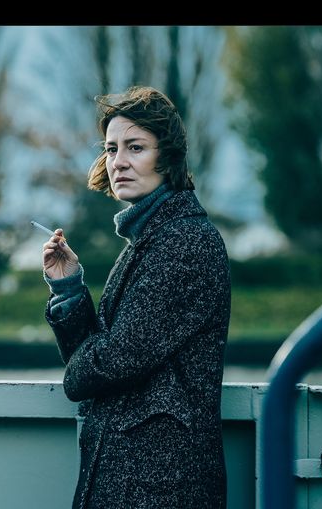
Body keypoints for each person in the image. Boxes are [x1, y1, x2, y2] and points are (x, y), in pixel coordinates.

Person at [43, 86, 230, 508]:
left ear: (168, 156)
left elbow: (114, 360)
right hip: (134, 482)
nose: (119, 162)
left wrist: (76, 375)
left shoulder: (184, 242)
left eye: (136, 147)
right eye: (111, 149)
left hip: (160, 488)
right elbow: (108, 360)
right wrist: (68, 288)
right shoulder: (149, 240)